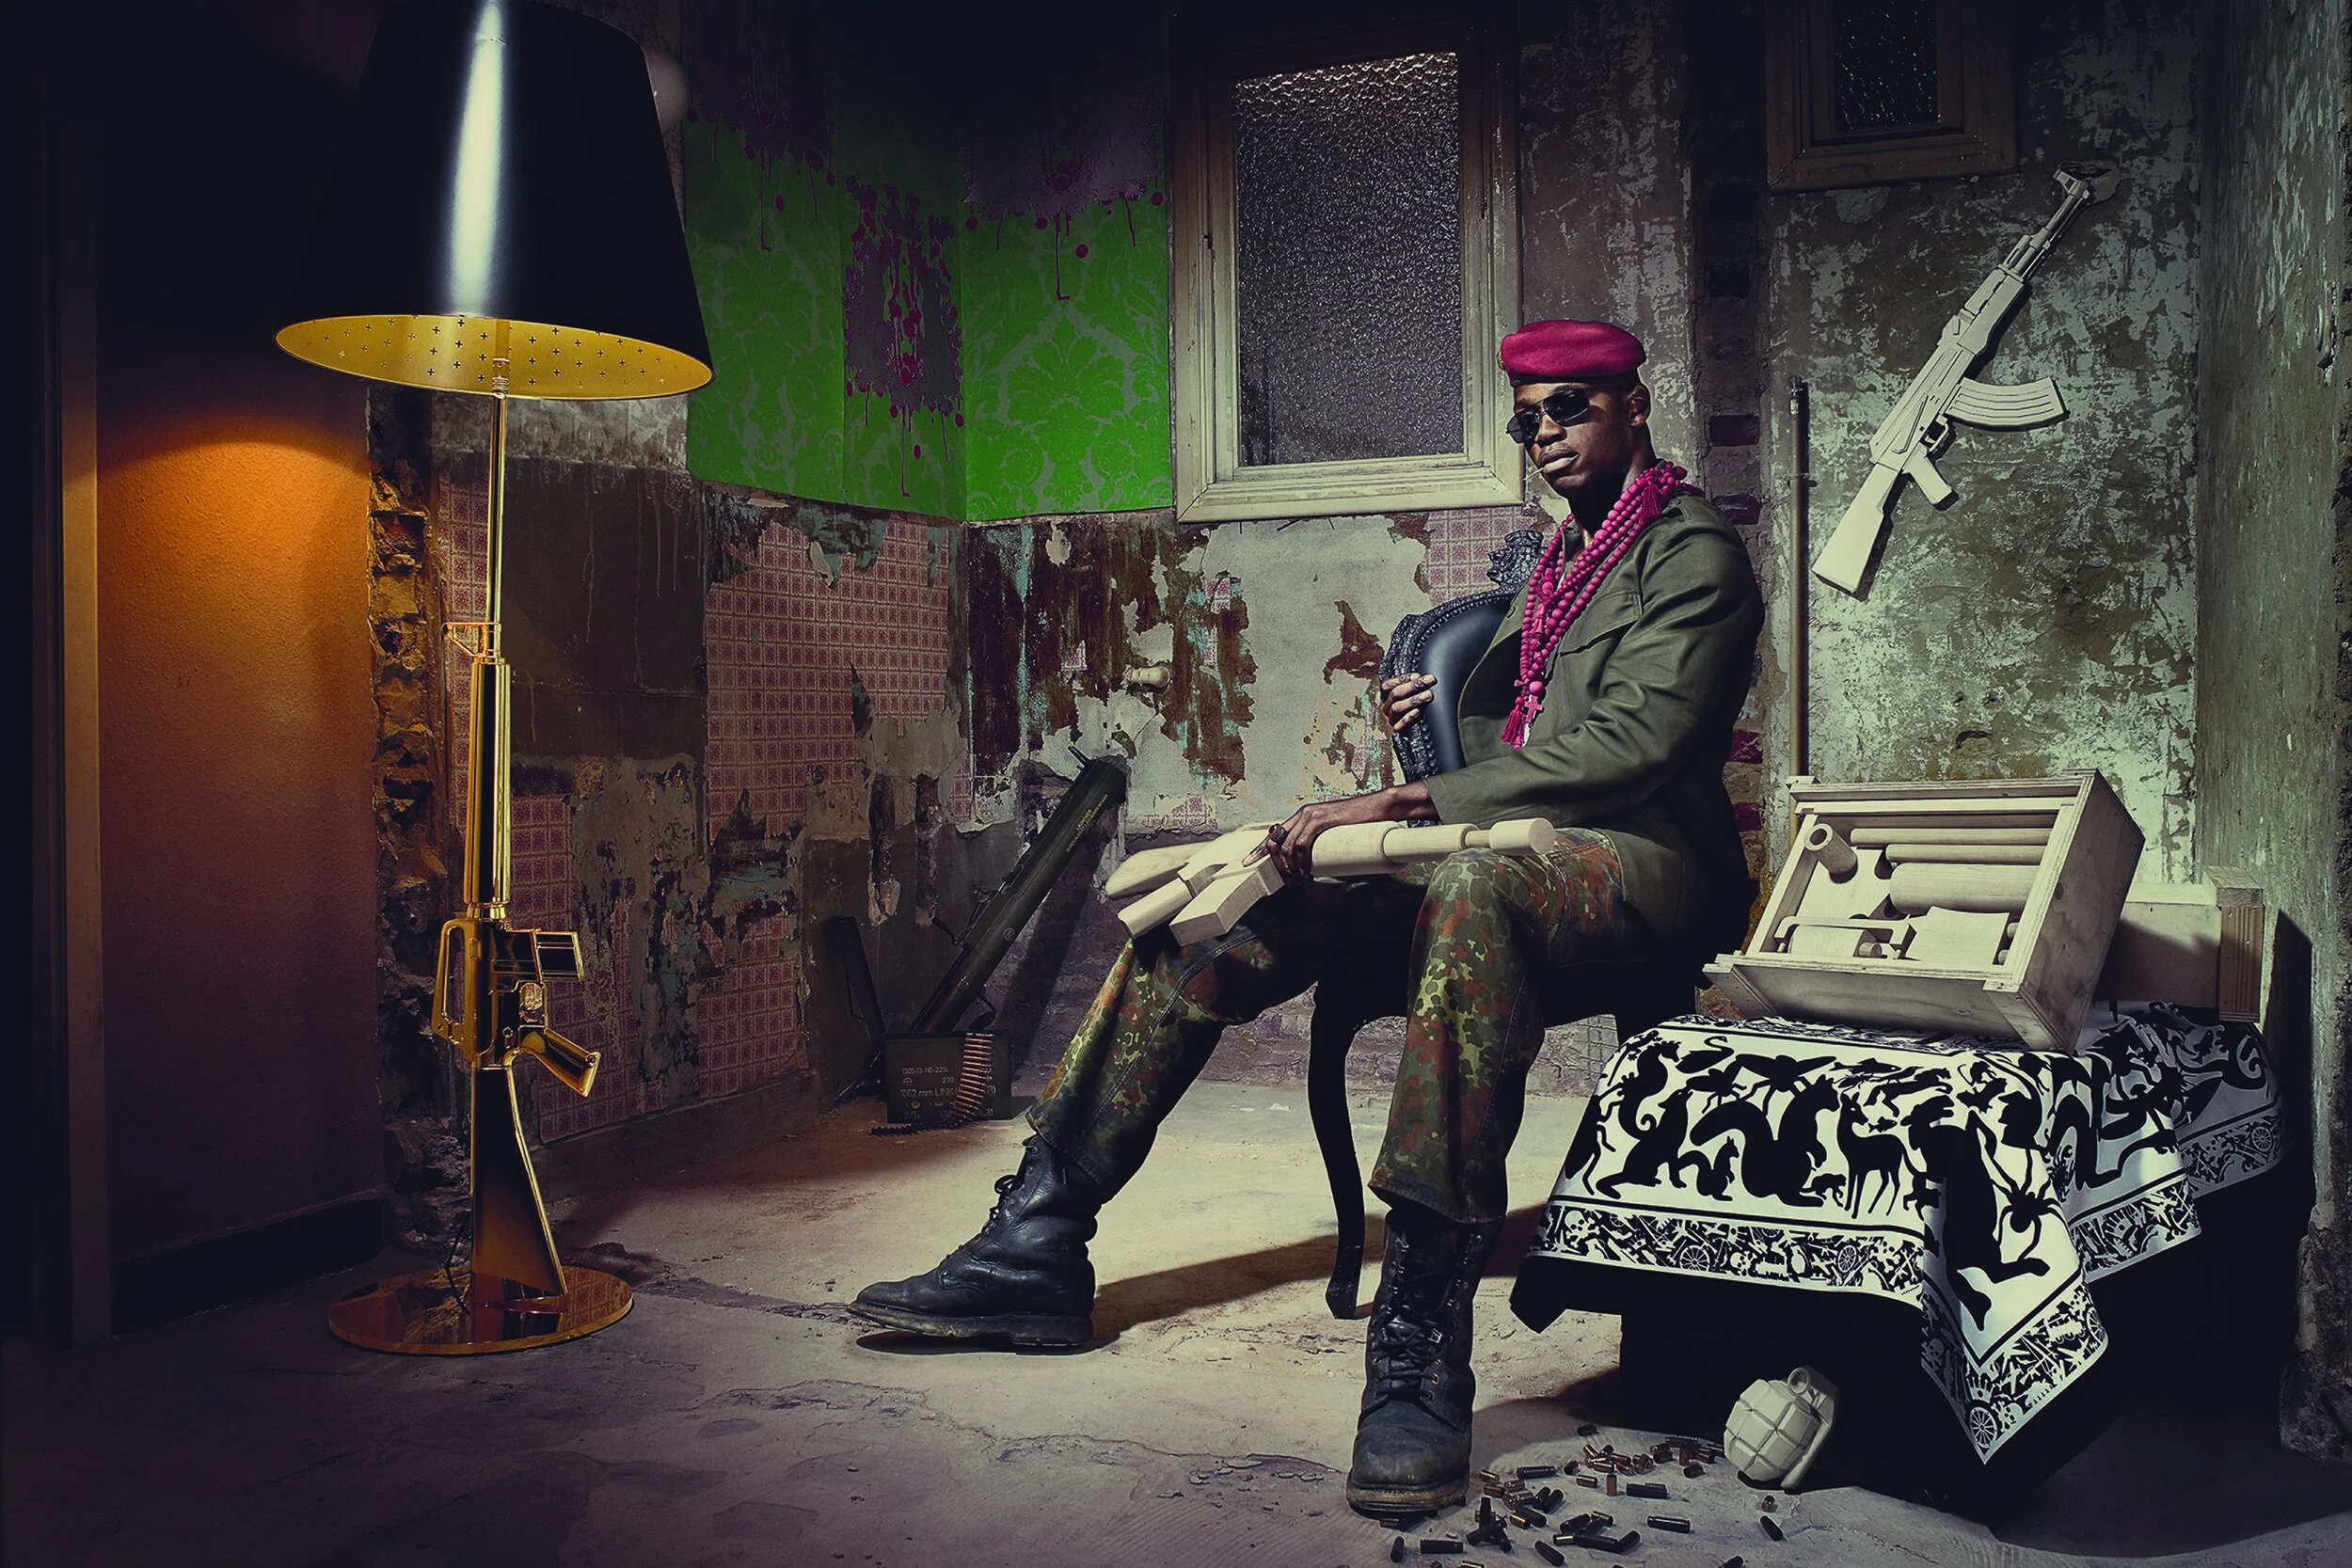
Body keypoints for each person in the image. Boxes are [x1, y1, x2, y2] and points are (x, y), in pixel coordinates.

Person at [852, 320, 1763, 1516]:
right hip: (1509, 836)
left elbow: (1635, 746)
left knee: (1476, 895)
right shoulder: (1559, 555)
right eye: (1527, 416)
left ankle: (1421, 1328)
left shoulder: (1689, 552)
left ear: (1634, 408)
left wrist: (1414, 789)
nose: (1543, 434)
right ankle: (1037, 1234)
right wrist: (1429, 725)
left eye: (1569, 408)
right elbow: (1532, 729)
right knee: (1223, 901)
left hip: (1641, 858)